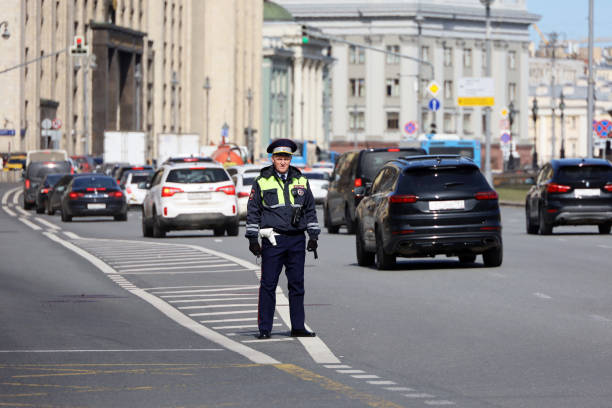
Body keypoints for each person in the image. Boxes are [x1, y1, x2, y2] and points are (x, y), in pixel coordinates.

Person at [246, 139, 320, 339]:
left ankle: (298, 326)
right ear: (272, 159)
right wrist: (252, 239)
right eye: (279, 158)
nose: (282, 162)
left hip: (296, 240)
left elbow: (310, 210)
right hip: (273, 240)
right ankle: (265, 329)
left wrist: (313, 236)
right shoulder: (262, 181)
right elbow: (253, 211)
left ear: (290, 159)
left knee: (297, 285)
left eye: (286, 158)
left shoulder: (301, 180)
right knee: (268, 284)